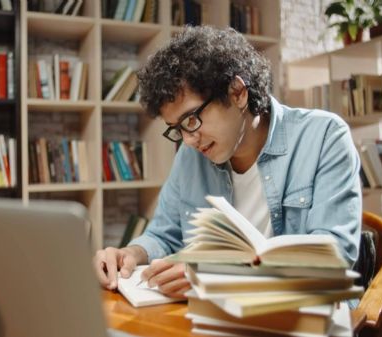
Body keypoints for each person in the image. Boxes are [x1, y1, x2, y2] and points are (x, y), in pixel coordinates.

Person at [93, 25, 362, 298]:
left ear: (237, 92)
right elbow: (164, 234)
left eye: (191, 119)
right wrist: (130, 253)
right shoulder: (191, 155)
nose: (188, 140)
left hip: (297, 312)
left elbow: (336, 255)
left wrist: (218, 272)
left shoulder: (324, 136)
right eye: (178, 128)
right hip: (212, 316)